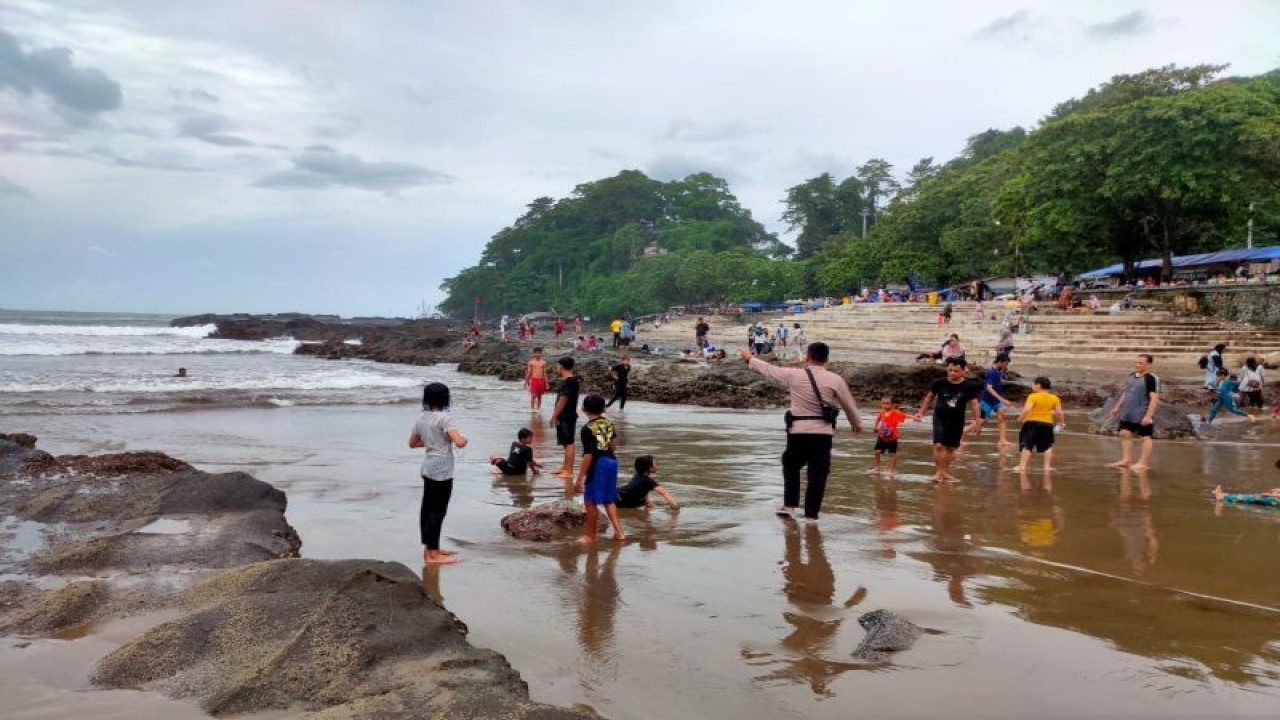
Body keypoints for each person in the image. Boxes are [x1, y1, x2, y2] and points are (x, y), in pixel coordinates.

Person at [741, 341, 863, 521]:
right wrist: (856, 423)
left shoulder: (795, 375)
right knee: (818, 473)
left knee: (791, 464)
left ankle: (789, 505)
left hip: (798, 431)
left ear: (807, 357)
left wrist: (750, 358)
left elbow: (769, 369)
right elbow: (848, 404)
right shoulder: (835, 379)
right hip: (823, 433)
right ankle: (811, 515)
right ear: (827, 359)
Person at [409, 382, 468, 565]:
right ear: (445, 398)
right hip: (442, 470)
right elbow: (459, 442)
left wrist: (432, 443)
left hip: (427, 468)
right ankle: (433, 555)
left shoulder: (421, 419)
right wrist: (464, 439)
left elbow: (412, 443)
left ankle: (430, 548)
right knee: (438, 511)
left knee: (427, 509)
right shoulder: (446, 418)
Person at [913, 357, 984, 483]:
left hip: (957, 419)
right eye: (950, 370)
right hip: (940, 417)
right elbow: (929, 397)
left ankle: (945, 472)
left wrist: (977, 421)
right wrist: (921, 413)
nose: (952, 373)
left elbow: (974, 404)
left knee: (950, 448)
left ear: (963, 371)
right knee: (939, 445)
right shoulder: (939, 383)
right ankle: (938, 472)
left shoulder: (969, 386)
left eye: (956, 371)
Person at [574, 394, 626, 543]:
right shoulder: (609, 423)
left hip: (598, 465)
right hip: (611, 462)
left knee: (590, 501)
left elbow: (588, 456)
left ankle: (590, 535)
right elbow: (612, 445)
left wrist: (579, 480)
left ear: (583, 409)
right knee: (609, 500)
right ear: (603, 409)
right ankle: (619, 533)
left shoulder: (587, 428)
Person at [1108, 354, 1160, 471]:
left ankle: (1143, 463)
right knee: (1124, 433)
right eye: (1136, 362)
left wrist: (1148, 415)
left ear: (1149, 364)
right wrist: (1116, 407)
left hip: (1142, 411)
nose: (1137, 365)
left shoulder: (1151, 378)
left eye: (1140, 363)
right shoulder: (1132, 376)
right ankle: (1126, 460)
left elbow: (1154, 398)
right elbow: (1126, 393)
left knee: (1145, 438)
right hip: (1128, 411)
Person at [1012, 376, 1066, 474]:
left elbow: (1027, 409)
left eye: (1033, 384)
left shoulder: (1033, 396)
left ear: (1038, 385)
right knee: (1048, 446)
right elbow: (1059, 412)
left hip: (1031, 423)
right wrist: (1061, 423)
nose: (1032, 385)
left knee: (1027, 445)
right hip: (1047, 424)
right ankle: (1047, 467)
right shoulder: (1054, 398)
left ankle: (1022, 466)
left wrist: (1020, 418)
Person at [549, 356, 580, 481]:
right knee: (565, 443)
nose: (557, 368)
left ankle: (569, 470)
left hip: (566, 416)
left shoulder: (569, 382)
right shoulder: (571, 380)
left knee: (569, 443)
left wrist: (554, 416)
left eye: (557, 365)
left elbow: (563, 400)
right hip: (566, 415)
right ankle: (565, 467)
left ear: (561, 366)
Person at [981, 354, 1016, 448]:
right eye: (1005, 364)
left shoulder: (998, 372)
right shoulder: (992, 372)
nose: (1006, 366)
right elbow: (989, 388)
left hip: (996, 401)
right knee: (981, 421)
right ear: (1000, 362)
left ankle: (1002, 439)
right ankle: (961, 435)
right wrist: (1003, 400)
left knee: (1002, 415)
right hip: (987, 400)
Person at [872, 396, 910, 474]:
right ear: (881, 404)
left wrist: (915, 417)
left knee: (892, 454)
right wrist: (875, 427)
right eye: (883, 403)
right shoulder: (881, 412)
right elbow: (878, 419)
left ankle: (891, 470)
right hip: (882, 436)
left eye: (887, 404)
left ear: (892, 405)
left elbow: (905, 415)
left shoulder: (895, 412)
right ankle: (877, 468)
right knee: (876, 451)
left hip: (892, 437)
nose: (885, 405)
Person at [524, 347, 549, 411]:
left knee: (539, 396)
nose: (538, 354)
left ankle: (538, 409)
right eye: (536, 353)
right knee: (533, 395)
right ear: (534, 354)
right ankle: (532, 410)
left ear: (541, 353)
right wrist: (526, 382)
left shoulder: (543, 362)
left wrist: (546, 383)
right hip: (534, 380)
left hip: (541, 380)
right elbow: (529, 372)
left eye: (539, 353)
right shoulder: (531, 362)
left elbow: (545, 373)